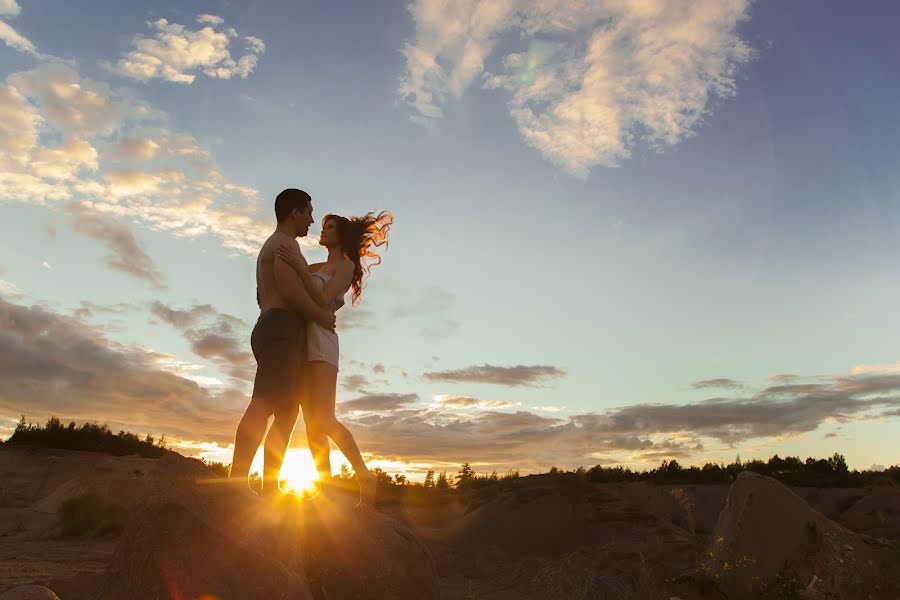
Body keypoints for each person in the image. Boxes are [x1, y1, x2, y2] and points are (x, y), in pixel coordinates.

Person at [275, 210, 392, 508]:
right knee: (312, 427)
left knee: (324, 419)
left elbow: (321, 297)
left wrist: (300, 271)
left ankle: (365, 476)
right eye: (323, 226)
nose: (322, 231)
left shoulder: (345, 266)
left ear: (340, 236)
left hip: (323, 346)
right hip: (302, 344)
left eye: (329, 228)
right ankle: (323, 490)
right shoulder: (320, 264)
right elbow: (292, 284)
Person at [229, 188, 336, 497]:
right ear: (294, 213)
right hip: (280, 329)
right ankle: (235, 484)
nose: (313, 219)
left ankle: (270, 487)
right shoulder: (283, 244)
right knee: (263, 403)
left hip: (276, 328)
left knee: (287, 414)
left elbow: (265, 293)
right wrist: (322, 316)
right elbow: (289, 291)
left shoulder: (281, 246)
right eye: (309, 212)